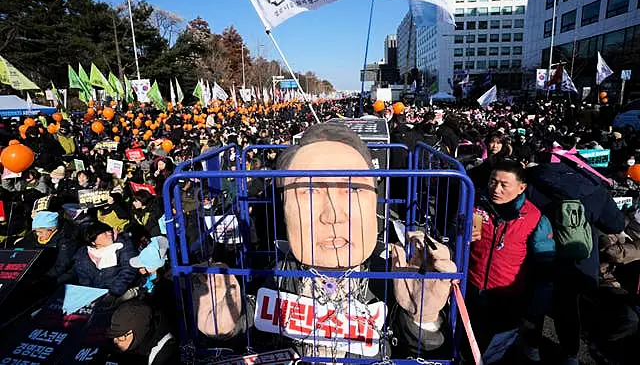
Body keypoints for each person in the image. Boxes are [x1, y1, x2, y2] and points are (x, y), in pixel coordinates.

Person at [193, 123, 457, 360]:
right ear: (284, 210)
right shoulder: (284, 271)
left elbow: (420, 350)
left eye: (352, 189)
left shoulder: (390, 274)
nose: (332, 216)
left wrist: (424, 320)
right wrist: (227, 328)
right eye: (309, 191)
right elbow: (260, 316)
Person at [526, 153, 626, 365]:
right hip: (578, 258)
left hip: (537, 254)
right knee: (568, 308)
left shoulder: (531, 180)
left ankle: (531, 348)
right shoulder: (592, 187)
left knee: (534, 303)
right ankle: (570, 354)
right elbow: (615, 224)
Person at [468, 161, 555, 360]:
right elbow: (452, 236)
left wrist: (537, 306)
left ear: (521, 188)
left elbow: (545, 264)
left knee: (498, 350)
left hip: (508, 295)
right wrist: (460, 233)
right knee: (469, 344)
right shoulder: (475, 205)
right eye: (492, 181)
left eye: (504, 185)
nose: (495, 189)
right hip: (472, 289)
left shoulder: (534, 218)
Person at [74, 222, 139, 305]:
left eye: (109, 231)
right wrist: (90, 296)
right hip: (97, 295)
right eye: (104, 233)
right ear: (93, 241)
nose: (109, 233)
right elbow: (84, 280)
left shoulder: (123, 245)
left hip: (119, 291)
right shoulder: (83, 255)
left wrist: (114, 293)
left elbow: (129, 270)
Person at [14, 210, 79, 286]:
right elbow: (21, 249)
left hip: (59, 275)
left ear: (52, 229)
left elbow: (62, 265)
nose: (38, 234)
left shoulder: (66, 240)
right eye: (36, 231)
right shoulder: (35, 236)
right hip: (40, 272)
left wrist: (44, 279)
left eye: (40, 232)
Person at [107, 299, 179, 365]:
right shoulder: (142, 339)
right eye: (114, 335)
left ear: (138, 331)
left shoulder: (164, 357)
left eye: (120, 337)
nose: (115, 341)